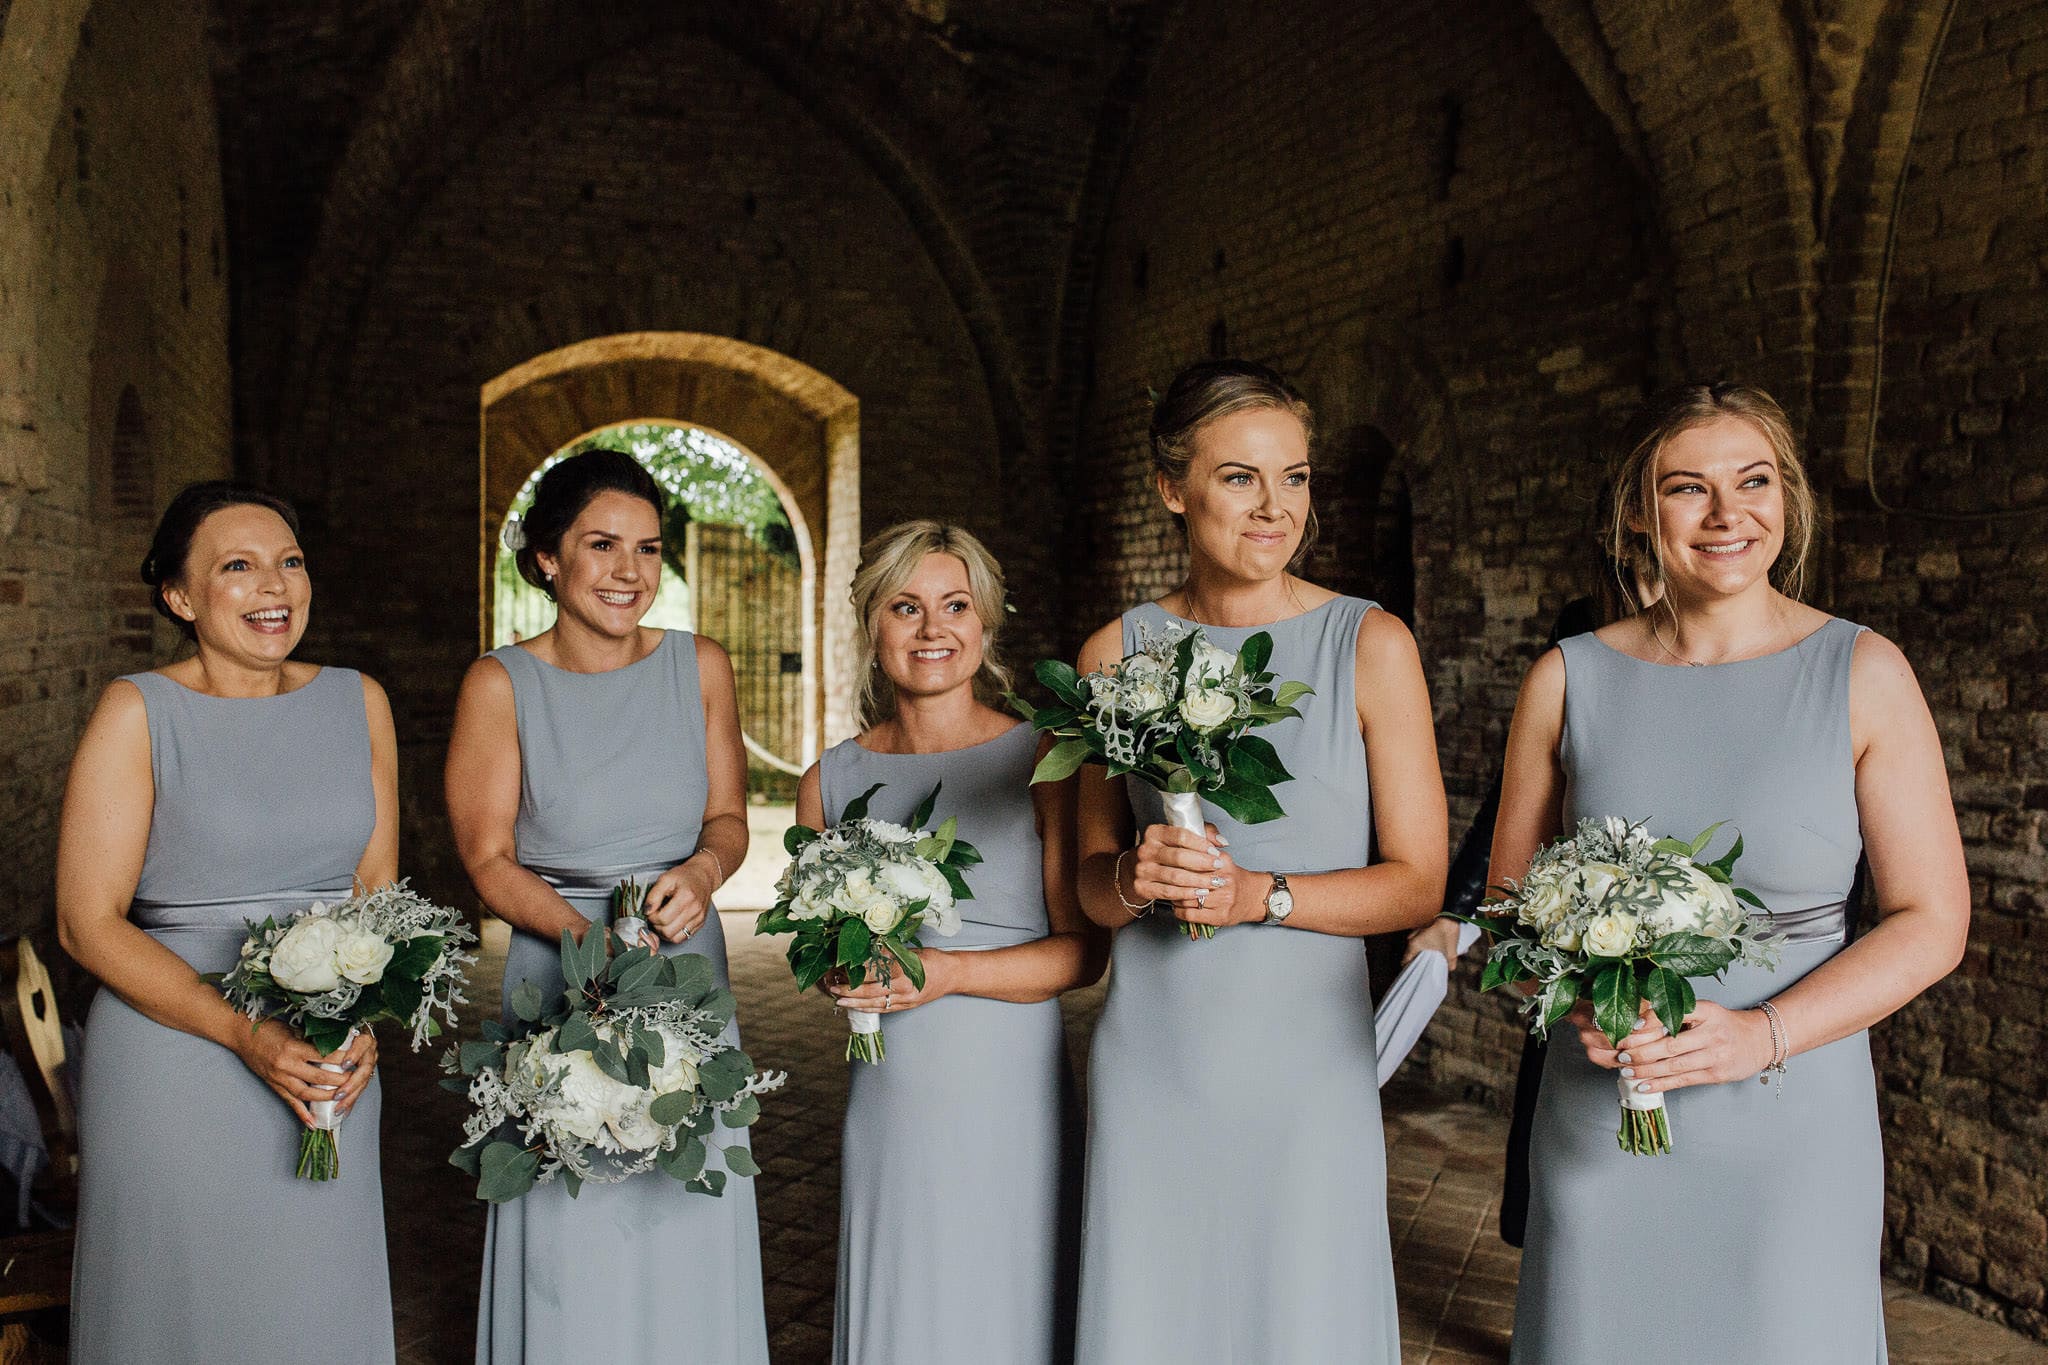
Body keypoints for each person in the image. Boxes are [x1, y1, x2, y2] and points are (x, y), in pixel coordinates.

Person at [1496, 383, 1969, 1362]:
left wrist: (1764, 1033)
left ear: (1785, 499)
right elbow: (1511, 907)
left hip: (1790, 1132)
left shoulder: (1863, 672)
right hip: (1606, 1115)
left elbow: (1930, 919)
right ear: (1638, 509)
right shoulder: (1565, 679)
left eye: (1752, 483)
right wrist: (1575, 995)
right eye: (1687, 488)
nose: (1726, 515)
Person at [1070, 360, 1448, 1363]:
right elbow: (1083, 887)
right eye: (1239, 478)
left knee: (1302, 1321)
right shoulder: (1114, 651)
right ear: (1172, 488)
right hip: (1155, 1062)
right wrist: (1130, 879)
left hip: (1305, 1067)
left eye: (1295, 477)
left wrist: (1259, 895)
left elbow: (1415, 881)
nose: (1274, 507)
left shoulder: (1367, 643)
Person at [61, 482, 396, 1363]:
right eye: (238, 567)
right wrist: (244, 1032)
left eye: (289, 562)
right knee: (184, 1312)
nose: (274, 586)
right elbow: (87, 923)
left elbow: (375, 891)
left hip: (326, 1063)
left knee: (312, 1302)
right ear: (179, 596)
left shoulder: (361, 701)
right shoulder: (137, 711)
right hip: (177, 1060)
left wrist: (363, 1019)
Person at [445, 449, 767, 1364]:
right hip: (559, 964)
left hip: (682, 956)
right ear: (548, 556)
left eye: (649, 548)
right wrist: (590, 945)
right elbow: (486, 857)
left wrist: (704, 874)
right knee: (564, 1200)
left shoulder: (700, 665)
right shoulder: (499, 683)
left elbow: (729, 817)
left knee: (683, 1183)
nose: (630, 571)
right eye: (602, 544)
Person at [802, 520, 1104, 1365]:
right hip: (893, 1096)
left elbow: (1086, 955)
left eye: (954, 605)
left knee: (1009, 1297)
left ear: (985, 622)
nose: (933, 629)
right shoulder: (826, 781)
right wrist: (846, 973)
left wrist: (946, 972)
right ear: (872, 628)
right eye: (905, 607)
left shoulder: (1044, 758)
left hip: (1012, 1090)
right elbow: (823, 953)